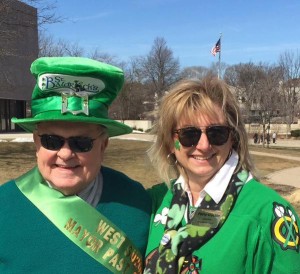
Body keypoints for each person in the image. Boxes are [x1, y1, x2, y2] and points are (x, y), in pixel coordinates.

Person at [0, 57, 151, 273]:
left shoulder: (137, 203)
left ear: (103, 145)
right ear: (36, 143)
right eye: (51, 141)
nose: (65, 153)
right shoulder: (4, 207)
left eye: (81, 143)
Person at [144, 77, 300, 273]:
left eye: (216, 133)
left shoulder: (267, 212)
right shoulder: (156, 200)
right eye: (189, 134)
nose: (203, 146)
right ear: (169, 142)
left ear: (232, 138)